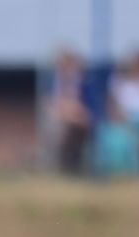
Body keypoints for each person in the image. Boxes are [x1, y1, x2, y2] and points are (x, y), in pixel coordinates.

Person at [48, 48, 93, 177]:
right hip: (63, 118)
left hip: (80, 119)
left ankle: (74, 166)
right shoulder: (56, 83)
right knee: (61, 130)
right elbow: (53, 104)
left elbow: (88, 106)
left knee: (77, 130)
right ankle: (64, 167)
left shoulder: (83, 84)